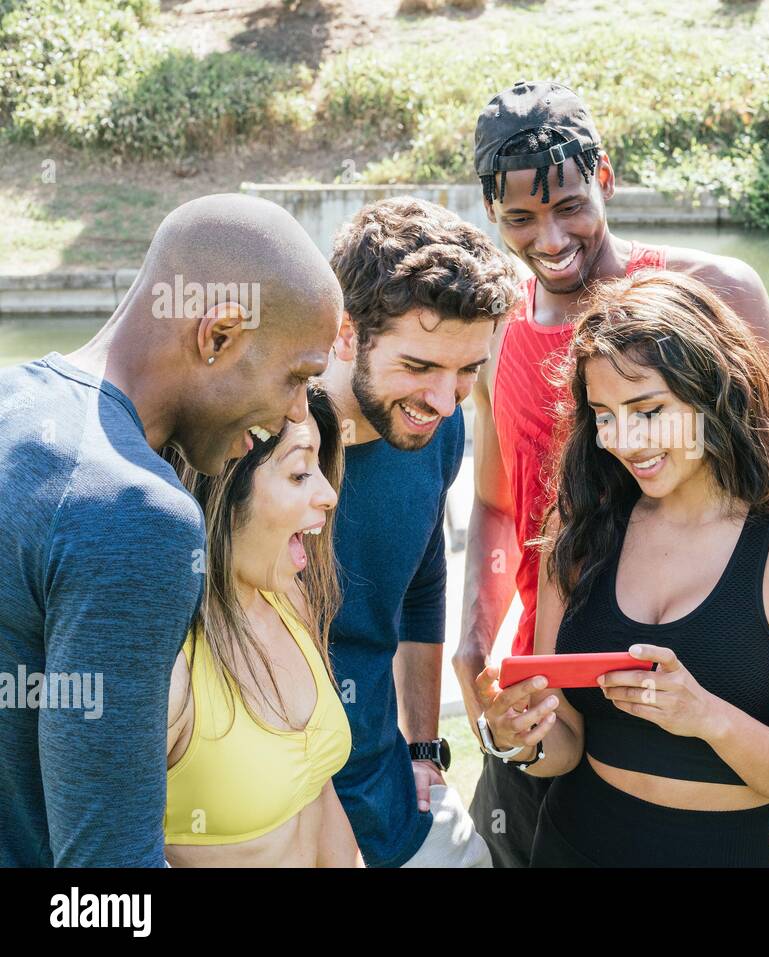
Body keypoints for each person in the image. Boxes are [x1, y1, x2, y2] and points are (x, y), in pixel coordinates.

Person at [458, 79, 769, 867]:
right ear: (492, 216)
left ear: (605, 176)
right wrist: (475, 636)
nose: (550, 237)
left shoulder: (716, 290)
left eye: (569, 204)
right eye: (520, 219)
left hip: (696, 674)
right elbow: (500, 504)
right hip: (555, 677)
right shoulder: (499, 330)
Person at [476, 271, 769, 867]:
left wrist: (704, 715)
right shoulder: (580, 530)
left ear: (714, 392)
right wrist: (515, 735)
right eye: (603, 415)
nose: (623, 439)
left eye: (648, 410)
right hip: (568, 845)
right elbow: (566, 743)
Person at [0, 194, 341, 867]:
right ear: (218, 335)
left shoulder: (17, 402)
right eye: (296, 376)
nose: (296, 410)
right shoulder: (137, 515)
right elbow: (109, 883)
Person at [318, 197, 516, 867]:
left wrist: (424, 748)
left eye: (468, 369)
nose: (445, 397)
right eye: (421, 366)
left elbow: (421, 584)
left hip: (393, 794)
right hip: (276, 819)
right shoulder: (253, 439)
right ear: (345, 334)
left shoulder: (439, 427)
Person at [164, 386, 358, 866]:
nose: (329, 494)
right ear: (224, 487)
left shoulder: (288, 595)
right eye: (298, 473)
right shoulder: (170, 670)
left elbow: (320, 794)